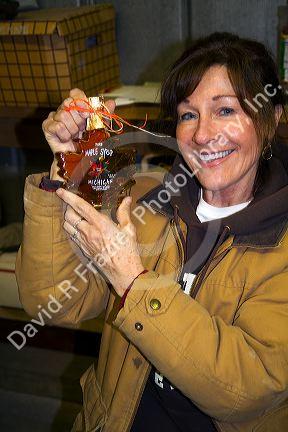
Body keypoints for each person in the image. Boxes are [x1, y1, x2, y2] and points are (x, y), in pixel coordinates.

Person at [16, 32, 288, 431]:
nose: (201, 134)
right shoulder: (144, 199)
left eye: (226, 111)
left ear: (271, 118)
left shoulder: (279, 241)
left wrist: (132, 281)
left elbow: (247, 390)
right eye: (188, 114)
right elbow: (52, 301)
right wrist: (67, 168)